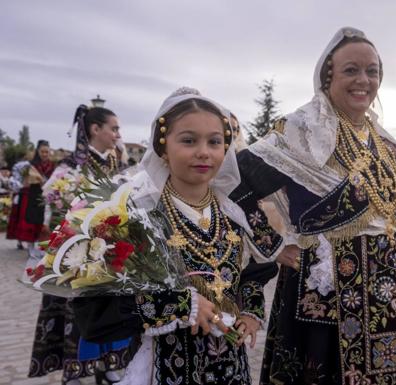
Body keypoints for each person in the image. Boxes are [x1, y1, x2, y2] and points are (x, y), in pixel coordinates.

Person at [229, 27, 396, 385]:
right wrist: (274, 245)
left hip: (388, 298)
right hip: (326, 295)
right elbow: (234, 183)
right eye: (351, 70)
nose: (363, 80)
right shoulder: (302, 132)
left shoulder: (387, 146)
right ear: (327, 75)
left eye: (372, 71)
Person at [73, 87, 283, 385]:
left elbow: (255, 270)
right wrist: (182, 305)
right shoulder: (138, 214)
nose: (203, 152)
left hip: (231, 365)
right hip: (165, 365)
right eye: (188, 140)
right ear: (163, 147)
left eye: (215, 141)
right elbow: (94, 310)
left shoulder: (234, 213)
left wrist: (250, 312)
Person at [29, 106, 130, 385]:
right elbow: (53, 206)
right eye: (114, 128)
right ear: (95, 129)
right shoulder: (70, 168)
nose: (118, 135)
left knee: (111, 306)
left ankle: (112, 363)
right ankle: (75, 368)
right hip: (76, 251)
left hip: (110, 249)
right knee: (77, 309)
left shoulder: (119, 167)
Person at [6, 141, 55, 257]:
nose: (44, 154)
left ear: (49, 152)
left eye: (46, 152)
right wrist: (26, 182)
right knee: (32, 221)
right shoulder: (31, 165)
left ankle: (42, 247)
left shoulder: (52, 166)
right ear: (38, 152)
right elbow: (23, 180)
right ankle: (30, 247)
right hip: (32, 195)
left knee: (43, 222)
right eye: (42, 151)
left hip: (45, 196)